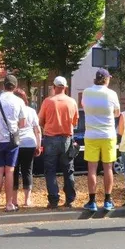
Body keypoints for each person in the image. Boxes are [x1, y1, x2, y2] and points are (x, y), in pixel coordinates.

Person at [81, 68, 120, 212]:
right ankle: (108, 200)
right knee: (108, 168)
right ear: (106, 79)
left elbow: (84, 107)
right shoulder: (112, 94)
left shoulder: (86, 92)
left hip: (91, 134)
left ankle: (92, 201)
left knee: (92, 169)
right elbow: (117, 113)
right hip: (108, 135)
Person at [0, 74, 26, 212]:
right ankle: (9, 203)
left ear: (3, 85)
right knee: (10, 171)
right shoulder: (19, 101)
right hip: (11, 140)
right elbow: (22, 123)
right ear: (15, 87)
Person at [38, 76, 79, 208]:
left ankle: (54, 199)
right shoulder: (72, 102)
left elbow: (40, 121)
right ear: (65, 87)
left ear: (54, 87)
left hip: (50, 138)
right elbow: (75, 122)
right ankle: (70, 199)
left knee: (50, 170)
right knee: (68, 170)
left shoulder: (47, 102)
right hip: (66, 139)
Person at [13, 88, 41, 207]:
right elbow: (37, 130)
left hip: (15, 143)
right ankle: (27, 200)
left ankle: (14, 200)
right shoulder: (31, 111)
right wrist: (39, 145)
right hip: (29, 143)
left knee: (13, 171)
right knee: (27, 170)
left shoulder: (13, 111)